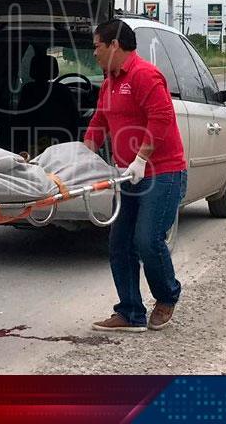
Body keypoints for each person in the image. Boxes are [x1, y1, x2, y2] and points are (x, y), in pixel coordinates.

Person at [83, 19, 188, 332]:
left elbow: (163, 117)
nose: (95, 54)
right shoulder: (109, 83)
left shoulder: (144, 74)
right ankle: (130, 312)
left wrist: (142, 157)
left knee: (147, 239)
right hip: (127, 175)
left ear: (114, 45)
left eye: (97, 47)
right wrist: (82, 158)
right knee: (120, 243)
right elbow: (99, 122)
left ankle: (167, 296)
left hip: (163, 172)